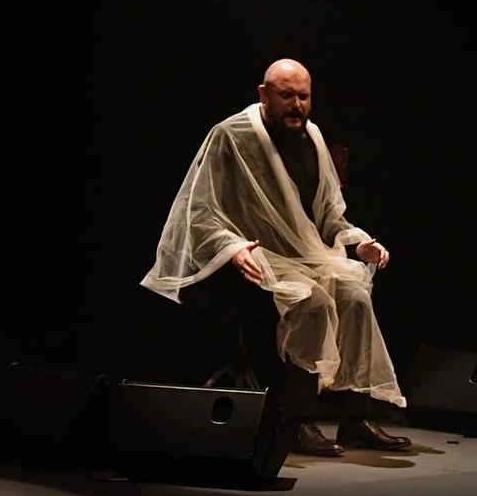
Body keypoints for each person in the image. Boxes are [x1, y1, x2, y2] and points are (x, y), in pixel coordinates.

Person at [142, 59, 410, 455]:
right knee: (311, 301)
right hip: (251, 257)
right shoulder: (231, 136)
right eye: (287, 95)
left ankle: (355, 418)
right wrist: (233, 249)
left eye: (304, 96)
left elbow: (327, 215)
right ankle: (295, 421)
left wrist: (359, 243)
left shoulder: (312, 137)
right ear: (264, 94)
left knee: (354, 295)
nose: (297, 105)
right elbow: (199, 211)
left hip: (306, 254)